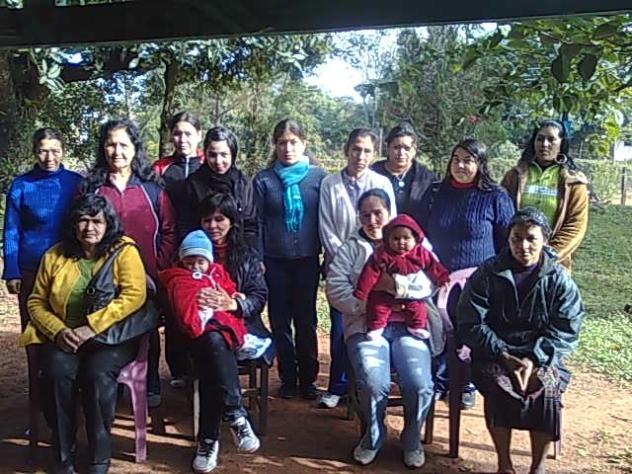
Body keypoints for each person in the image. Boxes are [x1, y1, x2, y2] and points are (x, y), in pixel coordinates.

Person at [19, 194, 148, 474]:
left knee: (97, 376)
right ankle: (63, 454)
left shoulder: (124, 251)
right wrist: (59, 331)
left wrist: (91, 327)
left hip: (110, 338)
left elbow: (134, 295)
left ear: (108, 224)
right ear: (73, 224)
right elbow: (36, 302)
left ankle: (99, 455)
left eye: (97, 221)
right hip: (64, 335)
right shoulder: (55, 255)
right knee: (55, 374)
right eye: (83, 220)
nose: (90, 227)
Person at [456, 207, 584, 474]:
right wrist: (504, 355)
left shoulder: (558, 279)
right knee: (499, 386)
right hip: (494, 352)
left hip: (541, 354)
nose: (523, 246)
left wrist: (533, 359)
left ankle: (538, 468)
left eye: (531, 238)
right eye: (516, 238)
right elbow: (470, 322)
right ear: (508, 238)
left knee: (546, 389)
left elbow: (566, 328)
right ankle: (505, 465)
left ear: (544, 240)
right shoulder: (488, 273)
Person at [326, 189, 437, 469]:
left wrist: (397, 289)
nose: (373, 220)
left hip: (410, 327)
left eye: (378, 213)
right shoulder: (350, 249)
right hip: (366, 326)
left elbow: (432, 280)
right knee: (374, 383)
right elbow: (336, 290)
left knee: (420, 384)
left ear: (389, 212)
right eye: (365, 215)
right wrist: (373, 303)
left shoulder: (414, 240)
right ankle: (373, 436)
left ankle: (411, 438)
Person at [82, 119, 177, 406]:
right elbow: (82, 232)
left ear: (135, 148)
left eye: (124, 145)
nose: (117, 151)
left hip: (149, 279)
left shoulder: (153, 189)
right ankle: (108, 386)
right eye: (111, 144)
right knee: (106, 328)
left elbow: (169, 231)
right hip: (102, 280)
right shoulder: (92, 189)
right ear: (102, 148)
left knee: (147, 329)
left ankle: (150, 383)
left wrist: (154, 271)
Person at [416, 138, 515, 406]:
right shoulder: (435, 193)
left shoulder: (496, 197)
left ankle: (466, 383)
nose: (460, 166)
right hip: (436, 279)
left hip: (478, 284)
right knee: (436, 330)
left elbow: (508, 241)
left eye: (468, 161)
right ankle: (438, 381)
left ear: (480, 164)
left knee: (470, 333)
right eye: (456, 159)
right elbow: (419, 234)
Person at [185, 193, 271, 474]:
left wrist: (234, 304)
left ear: (232, 221)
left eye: (219, 219)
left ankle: (208, 440)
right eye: (207, 220)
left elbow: (259, 297)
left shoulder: (246, 254)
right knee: (213, 343)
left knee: (214, 355)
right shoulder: (190, 251)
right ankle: (235, 415)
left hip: (242, 326)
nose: (213, 225)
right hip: (200, 327)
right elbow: (178, 291)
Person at [317, 128, 396, 408]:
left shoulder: (381, 182)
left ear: (374, 154)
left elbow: (391, 222)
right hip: (342, 267)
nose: (360, 156)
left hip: (381, 265)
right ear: (346, 150)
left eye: (366, 151)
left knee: (373, 326)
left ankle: (364, 387)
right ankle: (338, 387)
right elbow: (326, 227)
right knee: (341, 327)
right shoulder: (330, 184)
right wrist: (348, 257)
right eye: (356, 149)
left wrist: (377, 259)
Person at [254, 119, 326, 400]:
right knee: (280, 320)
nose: (288, 148)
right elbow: (257, 222)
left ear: (304, 144)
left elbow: (326, 219)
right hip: (274, 261)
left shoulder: (319, 178)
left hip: (307, 260)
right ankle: (288, 378)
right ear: (275, 145)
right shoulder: (264, 180)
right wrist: (258, 257)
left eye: (293, 142)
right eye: (282, 143)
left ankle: (308, 379)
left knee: (306, 321)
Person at [2, 128, 82, 330]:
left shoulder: (77, 183)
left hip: (68, 266)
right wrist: (12, 271)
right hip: (31, 268)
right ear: (34, 152)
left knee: (67, 329)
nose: (49, 158)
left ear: (63, 151)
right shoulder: (21, 185)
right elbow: (11, 229)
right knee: (33, 329)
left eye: (55, 151)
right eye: (43, 151)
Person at [152, 111, 204, 387]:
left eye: (188, 133)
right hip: (172, 249)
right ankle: (179, 370)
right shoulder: (161, 168)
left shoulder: (208, 163)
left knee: (203, 304)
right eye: (177, 133)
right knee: (174, 309)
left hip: (205, 250)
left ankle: (204, 366)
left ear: (199, 135)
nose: (182, 139)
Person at [502, 120, 589, 270]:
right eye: (540, 139)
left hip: (554, 264)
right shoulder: (514, 176)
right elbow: (502, 215)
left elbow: (575, 226)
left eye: (551, 139)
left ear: (561, 143)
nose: (545, 144)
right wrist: (518, 249)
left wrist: (548, 256)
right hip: (516, 258)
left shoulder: (573, 182)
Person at [354, 214, 449, 339]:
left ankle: (416, 327)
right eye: (396, 238)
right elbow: (370, 272)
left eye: (406, 238)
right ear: (388, 239)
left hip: (411, 293)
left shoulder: (421, 253)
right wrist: (362, 291)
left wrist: (442, 277)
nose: (401, 242)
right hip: (386, 293)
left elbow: (433, 266)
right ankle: (377, 327)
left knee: (418, 309)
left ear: (415, 238)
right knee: (378, 307)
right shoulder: (382, 253)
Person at [181, 125, 258, 245]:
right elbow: (185, 224)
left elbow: (250, 224)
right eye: (212, 155)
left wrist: (248, 251)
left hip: (238, 249)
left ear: (232, 154)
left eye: (224, 154)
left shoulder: (243, 183)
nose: (218, 161)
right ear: (205, 154)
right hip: (203, 250)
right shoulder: (193, 183)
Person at [371, 122, 437, 219]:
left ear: (414, 150)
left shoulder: (426, 178)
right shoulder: (373, 173)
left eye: (407, 148)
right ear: (388, 148)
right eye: (396, 147)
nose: (401, 153)